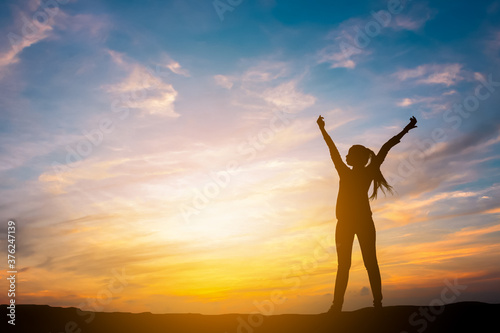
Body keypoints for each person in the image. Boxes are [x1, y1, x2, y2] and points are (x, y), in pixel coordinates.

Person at [317, 115, 417, 313]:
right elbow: (385, 147)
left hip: (352, 223)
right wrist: (406, 129)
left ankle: (342, 307)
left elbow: (333, 150)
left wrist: (322, 129)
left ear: (356, 158)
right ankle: (368, 305)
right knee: (366, 263)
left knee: (349, 265)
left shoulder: (347, 172)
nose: (345, 157)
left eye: (349, 154)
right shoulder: (364, 171)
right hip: (352, 223)